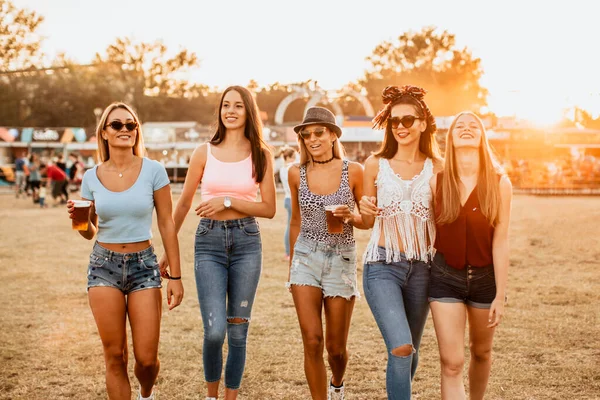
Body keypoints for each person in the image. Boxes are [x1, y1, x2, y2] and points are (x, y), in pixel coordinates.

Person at [159, 85, 276, 400]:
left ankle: (229, 398)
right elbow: (182, 205)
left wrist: (227, 200)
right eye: (226, 105)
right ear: (220, 111)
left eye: (239, 105)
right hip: (208, 241)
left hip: (246, 243)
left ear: (248, 111)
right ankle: (211, 396)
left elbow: (268, 209)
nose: (231, 111)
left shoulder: (262, 154)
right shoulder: (203, 152)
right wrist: (169, 253)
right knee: (214, 332)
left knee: (238, 332)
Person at [66, 102, 183, 400]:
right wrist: (79, 222)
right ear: (104, 132)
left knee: (146, 360)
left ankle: (146, 393)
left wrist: (176, 276)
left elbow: (167, 224)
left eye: (131, 125)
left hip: (144, 265)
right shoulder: (91, 176)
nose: (125, 130)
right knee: (115, 355)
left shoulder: (154, 170)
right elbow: (88, 231)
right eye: (117, 125)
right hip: (103, 265)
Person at [359, 85, 443, 399]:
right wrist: (360, 211)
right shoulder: (374, 165)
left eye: (408, 120)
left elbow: (447, 217)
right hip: (382, 265)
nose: (401, 127)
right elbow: (367, 221)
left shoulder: (438, 167)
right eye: (394, 121)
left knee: (412, 352)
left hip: (423, 269)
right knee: (402, 347)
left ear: (423, 123)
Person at [428, 111, 512, 400]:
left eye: (473, 126)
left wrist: (500, 294)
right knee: (451, 364)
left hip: (485, 279)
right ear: (449, 138)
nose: (466, 129)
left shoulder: (500, 183)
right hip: (443, 278)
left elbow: (500, 242)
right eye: (459, 126)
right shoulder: (436, 181)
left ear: (482, 137)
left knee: (481, 352)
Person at [287, 106, 368, 400]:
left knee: (335, 349)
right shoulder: (296, 173)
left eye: (319, 132)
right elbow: (295, 220)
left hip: (341, 257)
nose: (312, 138)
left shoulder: (354, 171)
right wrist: (293, 263)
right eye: (306, 134)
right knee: (312, 340)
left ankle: (337, 383)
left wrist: (351, 217)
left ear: (333, 135)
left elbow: (367, 221)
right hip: (305, 257)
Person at [278, 146, 298, 261]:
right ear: (289, 157)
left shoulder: (282, 168)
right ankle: (289, 252)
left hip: (287, 198)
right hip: (292, 199)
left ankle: (288, 252)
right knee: (292, 227)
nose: (295, 159)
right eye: (294, 157)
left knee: (290, 226)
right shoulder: (290, 168)